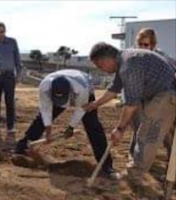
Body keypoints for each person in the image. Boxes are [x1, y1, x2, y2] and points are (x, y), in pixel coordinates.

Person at [86, 42, 176, 193]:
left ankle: (132, 177)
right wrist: (95, 104)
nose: (102, 70)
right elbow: (114, 89)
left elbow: (131, 103)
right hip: (161, 94)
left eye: (100, 66)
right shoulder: (125, 60)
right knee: (159, 134)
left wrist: (120, 129)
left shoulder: (130, 64)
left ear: (105, 60)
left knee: (147, 135)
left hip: (168, 94)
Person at [15, 69, 118, 178]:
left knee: (93, 126)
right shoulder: (45, 87)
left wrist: (70, 128)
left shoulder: (81, 89)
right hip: (62, 90)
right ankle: (22, 147)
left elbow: (80, 110)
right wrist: (48, 132)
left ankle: (106, 166)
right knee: (40, 121)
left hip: (86, 92)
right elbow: (45, 110)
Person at [128, 28, 176, 160]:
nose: (143, 47)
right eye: (140, 44)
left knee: (165, 131)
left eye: (146, 45)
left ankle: (171, 163)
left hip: (162, 97)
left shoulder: (163, 57)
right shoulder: (135, 56)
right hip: (142, 97)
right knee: (139, 129)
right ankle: (134, 159)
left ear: (153, 45)